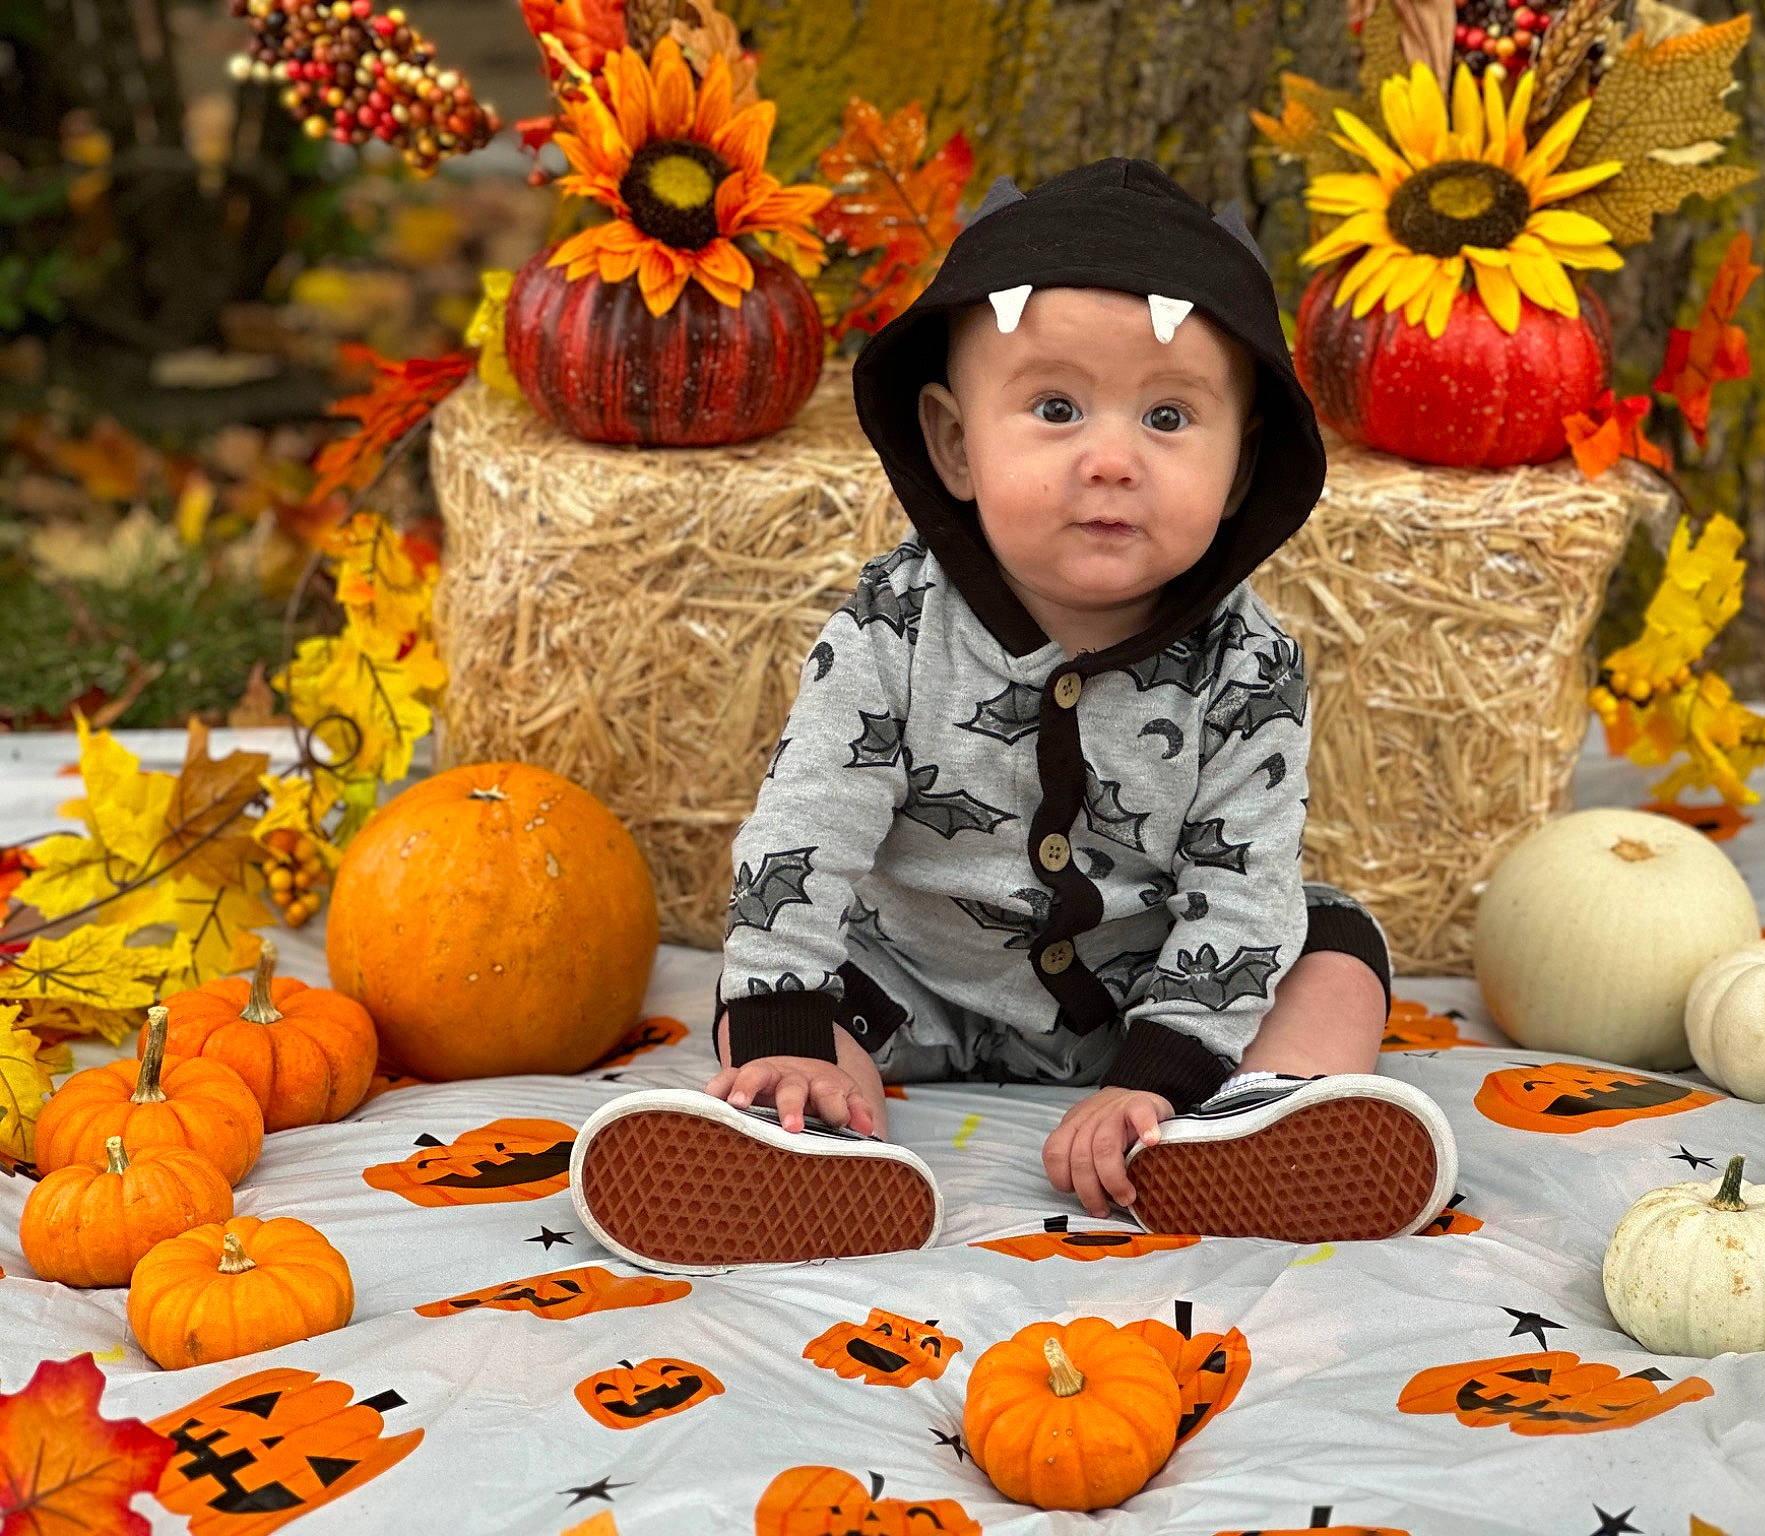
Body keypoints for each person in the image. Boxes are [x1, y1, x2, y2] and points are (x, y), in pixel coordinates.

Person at [568, 157, 1457, 1273]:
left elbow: (1241, 888)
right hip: (912, 991)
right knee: (796, 996)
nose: (1110, 460)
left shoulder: (1248, 660)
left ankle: (1252, 1118)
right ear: (952, 445)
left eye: (1169, 417)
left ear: (1239, 473)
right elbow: (806, 827)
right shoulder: (894, 622)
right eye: (1053, 408)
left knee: (1329, 944)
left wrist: (1164, 1064)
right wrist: (786, 1015)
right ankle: (795, 1132)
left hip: (1156, 990)